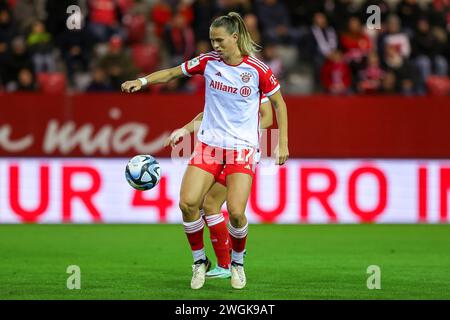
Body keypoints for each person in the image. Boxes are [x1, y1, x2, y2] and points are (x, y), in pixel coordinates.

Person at [121, 12, 289, 290]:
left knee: (235, 212)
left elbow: (278, 107)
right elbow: (174, 74)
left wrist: (281, 143)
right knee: (188, 203)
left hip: (242, 149)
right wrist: (142, 82)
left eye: (220, 40)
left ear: (235, 38)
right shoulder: (208, 62)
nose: (216, 45)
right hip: (210, 146)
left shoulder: (258, 70)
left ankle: (236, 262)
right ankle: (200, 261)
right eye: (212, 40)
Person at [164, 97, 273, 279]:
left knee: (213, 205)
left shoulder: (253, 81)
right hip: (216, 148)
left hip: (241, 150)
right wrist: (184, 130)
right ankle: (224, 261)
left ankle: (227, 262)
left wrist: (239, 130)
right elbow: (206, 116)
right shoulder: (221, 82)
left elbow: (268, 117)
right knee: (205, 205)